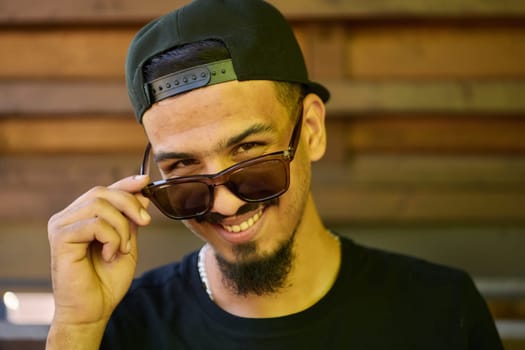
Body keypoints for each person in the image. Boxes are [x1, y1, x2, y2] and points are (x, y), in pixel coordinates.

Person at [46, 0, 503, 349]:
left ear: (311, 130)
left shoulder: (440, 312)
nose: (224, 204)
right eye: (184, 170)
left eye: (250, 156)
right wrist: (76, 327)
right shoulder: (120, 326)